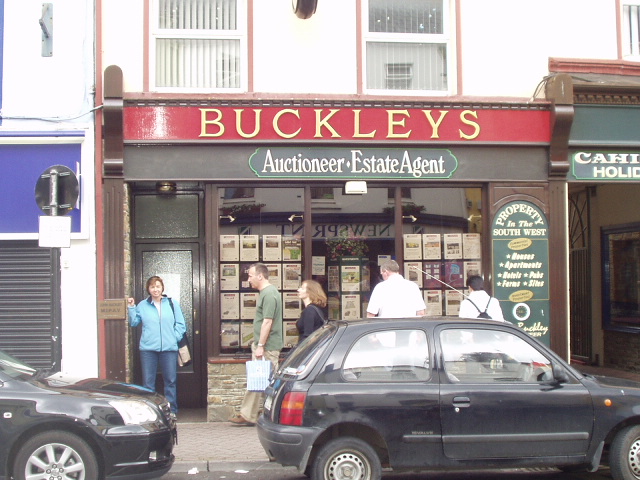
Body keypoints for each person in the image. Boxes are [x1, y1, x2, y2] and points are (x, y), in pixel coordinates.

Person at [229, 263, 283, 426]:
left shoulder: (269, 294)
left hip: (267, 347)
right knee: (258, 380)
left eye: (251, 275)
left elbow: (267, 322)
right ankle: (249, 414)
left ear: (260, 276)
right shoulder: (266, 293)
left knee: (267, 382)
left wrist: (260, 345)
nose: (248, 279)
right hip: (264, 346)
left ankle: (271, 415)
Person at [127, 276, 186, 416]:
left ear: (162, 288)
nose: (155, 289)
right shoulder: (142, 305)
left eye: (158, 286)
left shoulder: (172, 303)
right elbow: (134, 322)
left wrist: (173, 338)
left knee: (170, 381)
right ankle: (151, 412)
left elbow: (181, 324)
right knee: (148, 383)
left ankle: (171, 411)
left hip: (169, 349)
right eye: (152, 287)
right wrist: (131, 307)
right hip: (148, 349)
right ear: (148, 289)